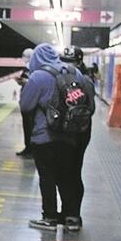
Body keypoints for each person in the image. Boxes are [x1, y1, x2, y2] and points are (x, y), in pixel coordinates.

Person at [19, 43, 88, 231]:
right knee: (67, 175)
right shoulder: (75, 73)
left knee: (47, 176)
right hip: (70, 134)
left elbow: (26, 106)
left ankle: (49, 216)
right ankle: (71, 217)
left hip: (45, 135)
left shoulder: (38, 76)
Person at [60, 46, 95, 225]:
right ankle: (70, 212)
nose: (67, 66)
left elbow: (91, 109)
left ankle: (72, 213)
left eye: (70, 62)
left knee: (71, 172)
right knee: (70, 172)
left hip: (75, 134)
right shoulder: (86, 81)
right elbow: (92, 108)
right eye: (64, 62)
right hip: (79, 132)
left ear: (79, 62)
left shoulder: (83, 81)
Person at [16, 47, 35, 157]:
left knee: (30, 126)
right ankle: (27, 147)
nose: (23, 58)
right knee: (26, 126)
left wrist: (25, 82)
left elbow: (34, 83)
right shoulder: (26, 69)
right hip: (25, 100)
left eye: (25, 56)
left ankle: (31, 149)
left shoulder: (34, 69)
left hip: (31, 102)